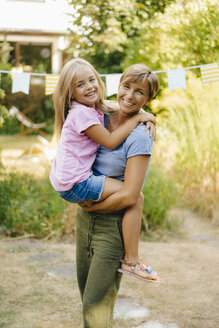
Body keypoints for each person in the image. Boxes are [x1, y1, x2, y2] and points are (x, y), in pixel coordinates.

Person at [49, 58, 157, 280]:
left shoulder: (91, 108)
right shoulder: (82, 114)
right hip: (77, 182)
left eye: (91, 80)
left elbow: (120, 105)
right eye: (80, 85)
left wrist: (148, 116)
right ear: (70, 93)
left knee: (132, 195)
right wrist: (138, 116)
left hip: (67, 179)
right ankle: (132, 261)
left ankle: (131, 260)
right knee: (136, 198)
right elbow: (109, 141)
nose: (89, 87)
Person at [76, 63, 160, 327]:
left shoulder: (140, 136)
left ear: (147, 99)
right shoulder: (101, 113)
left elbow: (130, 196)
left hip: (112, 225)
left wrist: (92, 208)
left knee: (96, 308)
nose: (130, 96)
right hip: (84, 221)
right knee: (86, 297)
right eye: (126, 86)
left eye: (140, 92)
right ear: (118, 84)